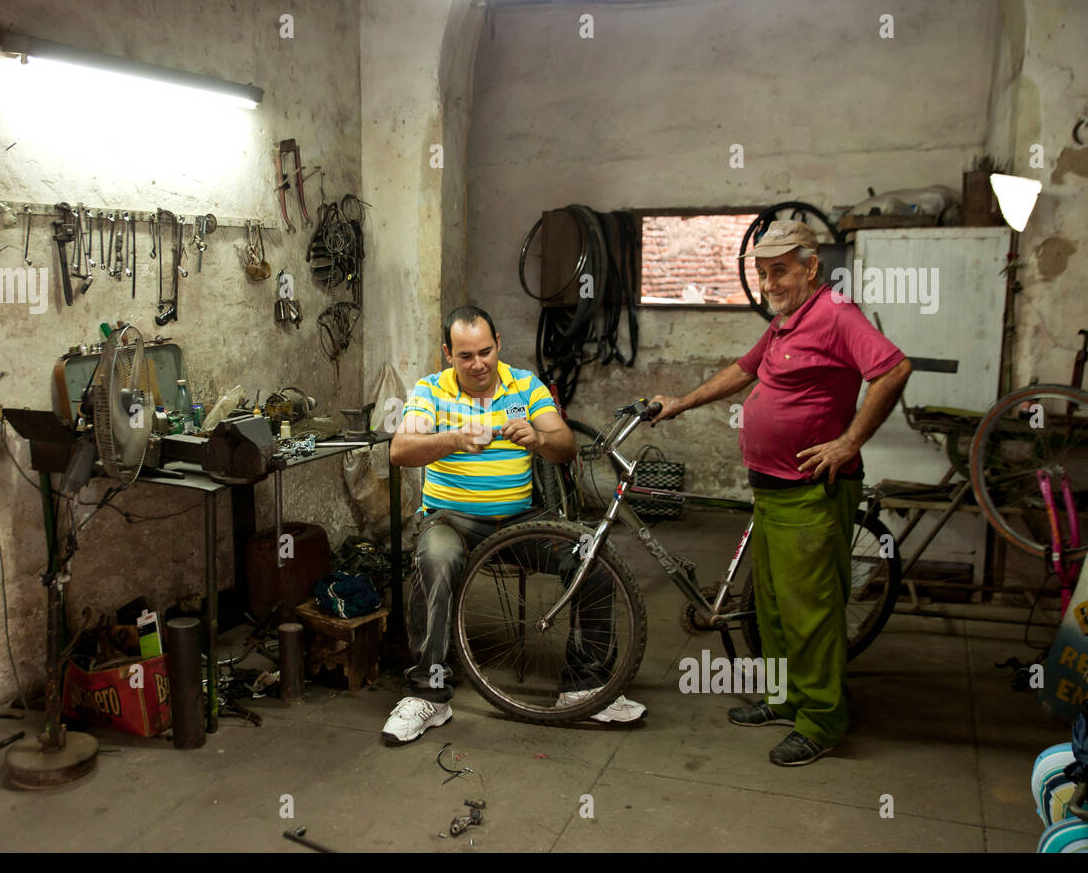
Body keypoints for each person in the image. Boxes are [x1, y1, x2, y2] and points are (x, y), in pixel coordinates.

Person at [651, 220, 911, 766]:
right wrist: (681, 401)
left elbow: (892, 369)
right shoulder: (787, 321)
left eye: (781, 271)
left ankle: (822, 721)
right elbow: (745, 370)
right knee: (770, 608)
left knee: (810, 612)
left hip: (812, 493)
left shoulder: (837, 314)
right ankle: (788, 699)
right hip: (770, 491)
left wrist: (849, 441)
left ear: (811, 267)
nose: (769, 284)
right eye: (764, 273)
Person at [383, 305, 647, 744]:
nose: (478, 364)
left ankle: (585, 686)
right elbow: (400, 450)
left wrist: (539, 438)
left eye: (485, 352)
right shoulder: (430, 391)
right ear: (448, 354)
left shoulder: (525, 385)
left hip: (522, 522)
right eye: (465, 356)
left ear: (499, 344)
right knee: (436, 557)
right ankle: (427, 694)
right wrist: (451, 439)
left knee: (593, 557)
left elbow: (566, 446)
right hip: (452, 519)